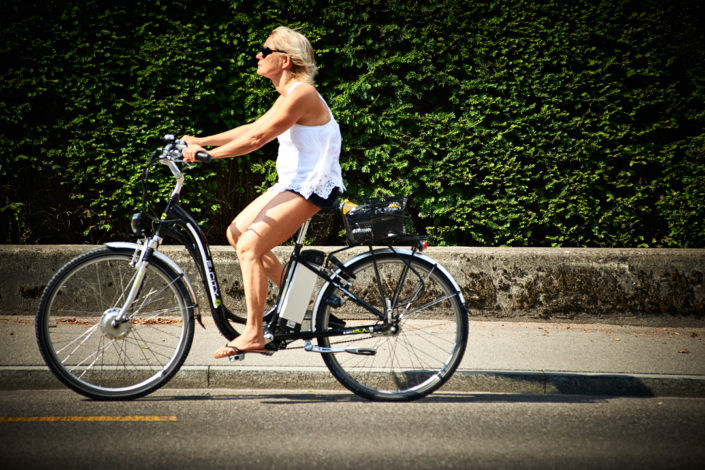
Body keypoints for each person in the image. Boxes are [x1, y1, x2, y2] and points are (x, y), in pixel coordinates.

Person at [181, 26, 344, 359]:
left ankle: (254, 333)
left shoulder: (302, 94)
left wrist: (209, 156)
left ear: (284, 60)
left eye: (265, 50)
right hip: (293, 183)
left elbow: (258, 140)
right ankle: (298, 302)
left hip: (313, 185)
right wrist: (201, 140)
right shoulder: (288, 95)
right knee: (236, 232)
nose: (258, 55)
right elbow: (253, 129)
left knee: (251, 246)